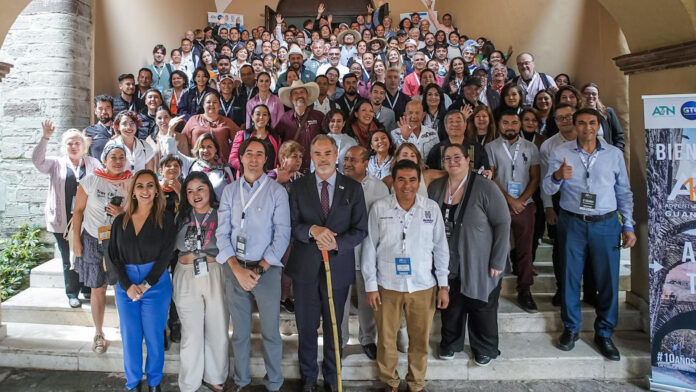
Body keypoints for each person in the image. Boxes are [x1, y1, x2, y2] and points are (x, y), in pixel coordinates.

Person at [542, 108, 636, 361]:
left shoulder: (614, 155)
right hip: (572, 222)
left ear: (599, 126)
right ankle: (571, 328)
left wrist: (628, 225)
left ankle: (604, 332)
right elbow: (547, 187)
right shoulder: (561, 152)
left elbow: (624, 192)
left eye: (592, 123)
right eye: (582, 123)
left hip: (605, 224)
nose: (587, 128)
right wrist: (558, 176)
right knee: (570, 277)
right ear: (575, 126)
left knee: (607, 280)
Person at [286, 135, 368, 392]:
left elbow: (360, 229)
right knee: (306, 326)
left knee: (334, 326)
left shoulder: (352, 188)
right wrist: (311, 229)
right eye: (318, 154)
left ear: (336, 156)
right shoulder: (298, 188)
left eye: (328, 153)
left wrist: (337, 244)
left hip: (338, 268)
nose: (323, 158)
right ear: (312, 157)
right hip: (306, 269)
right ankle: (309, 377)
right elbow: (291, 225)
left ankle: (333, 376)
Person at [362, 159, 449, 392]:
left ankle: (416, 382)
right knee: (386, 339)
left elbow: (441, 248)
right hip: (387, 285)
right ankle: (390, 381)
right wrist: (370, 285)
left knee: (419, 340)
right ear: (393, 181)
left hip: (422, 286)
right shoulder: (380, 208)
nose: (406, 185)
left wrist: (443, 285)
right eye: (401, 179)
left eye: (412, 180)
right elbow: (369, 246)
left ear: (419, 181)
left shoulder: (431, 209)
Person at [216, 137, 291, 392]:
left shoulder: (276, 191)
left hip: (266, 272)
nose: (254, 159)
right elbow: (221, 234)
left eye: (260, 154)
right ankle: (241, 381)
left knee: (271, 332)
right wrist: (237, 269)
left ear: (265, 160)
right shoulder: (229, 191)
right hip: (235, 268)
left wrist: (258, 269)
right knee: (239, 333)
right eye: (249, 153)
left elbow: (282, 235)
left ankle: (274, 383)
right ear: (242, 157)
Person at [429, 144, 510, 365]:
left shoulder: (486, 187)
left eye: (457, 157)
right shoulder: (436, 187)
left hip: (480, 259)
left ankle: (484, 347)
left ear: (467, 160)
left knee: (481, 304)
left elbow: (503, 223)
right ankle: (451, 342)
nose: (452, 161)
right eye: (447, 158)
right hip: (448, 259)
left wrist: (498, 259)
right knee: (451, 304)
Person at [109, 169, 175, 392]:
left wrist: (146, 284)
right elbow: (114, 256)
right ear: (133, 191)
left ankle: (154, 382)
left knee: (154, 336)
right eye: (140, 186)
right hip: (126, 285)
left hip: (155, 284)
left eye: (150, 185)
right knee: (131, 336)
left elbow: (166, 256)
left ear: (157, 190)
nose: (145, 190)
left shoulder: (166, 219)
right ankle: (133, 382)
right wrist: (127, 286)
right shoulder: (120, 221)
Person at [33, 120, 100, 308]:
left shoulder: (93, 163)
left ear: (83, 145)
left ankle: (87, 287)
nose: (73, 146)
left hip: (87, 218)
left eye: (77, 142)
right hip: (63, 219)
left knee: (87, 253)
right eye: (69, 143)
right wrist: (45, 137)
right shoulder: (56, 163)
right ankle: (72, 292)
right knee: (68, 256)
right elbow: (37, 162)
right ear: (64, 146)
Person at [72, 144, 132, 354]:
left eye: (122, 157)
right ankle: (98, 332)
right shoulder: (90, 180)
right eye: (113, 157)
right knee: (97, 287)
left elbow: (138, 212)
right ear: (104, 159)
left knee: (120, 286)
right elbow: (78, 211)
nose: (118, 161)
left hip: (118, 241)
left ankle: (126, 330)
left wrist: (122, 213)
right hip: (92, 238)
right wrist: (75, 241)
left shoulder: (131, 181)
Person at [485, 110, 541, 313]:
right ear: (499, 125)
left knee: (525, 250)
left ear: (520, 125)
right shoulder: (490, 147)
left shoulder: (531, 147)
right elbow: (490, 176)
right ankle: (491, 288)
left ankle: (524, 290)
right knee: (495, 247)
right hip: (499, 204)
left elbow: (535, 178)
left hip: (525, 205)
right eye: (506, 122)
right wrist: (510, 200)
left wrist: (521, 201)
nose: (510, 126)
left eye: (514, 123)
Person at [340, 145, 390, 358]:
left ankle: (368, 339)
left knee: (366, 299)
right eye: (346, 159)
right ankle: (339, 341)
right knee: (340, 300)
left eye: (353, 160)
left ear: (365, 163)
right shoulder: (336, 184)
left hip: (367, 253)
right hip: (340, 252)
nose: (348, 164)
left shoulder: (379, 188)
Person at [275, 80, 325, 173]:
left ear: (307, 95)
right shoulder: (284, 118)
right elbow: (278, 143)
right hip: (292, 170)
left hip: (315, 169)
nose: (299, 95)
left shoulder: (319, 116)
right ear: (291, 98)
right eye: (295, 93)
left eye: (302, 92)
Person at [181, 91, 240, 163]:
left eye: (215, 102)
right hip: (197, 164)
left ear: (219, 105)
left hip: (221, 164)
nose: (211, 104)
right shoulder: (194, 119)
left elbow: (240, 138)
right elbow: (183, 140)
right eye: (208, 102)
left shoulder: (227, 121)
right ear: (203, 104)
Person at [426, 110, 490, 175]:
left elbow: (486, 172)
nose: (455, 124)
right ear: (445, 126)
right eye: (451, 121)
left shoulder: (478, 148)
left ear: (465, 124)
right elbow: (430, 174)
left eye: (458, 121)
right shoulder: (436, 149)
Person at [230, 104, 281, 175]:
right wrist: (246, 168)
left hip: (269, 179)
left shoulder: (275, 138)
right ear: (252, 117)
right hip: (247, 178)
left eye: (264, 114)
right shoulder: (242, 135)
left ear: (268, 117)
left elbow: (279, 161)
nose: (261, 117)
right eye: (258, 114)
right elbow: (232, 159)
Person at [581, 82, 625, 151]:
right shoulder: (578, 115)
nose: (590, 96)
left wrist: (617, 152)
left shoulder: (607, 112)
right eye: (587, 94)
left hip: (606, 154)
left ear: (598, 96)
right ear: (582, 96)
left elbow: (619, 135)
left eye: (594, 94)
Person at [84, 95, 115, 160]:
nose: (104, 111)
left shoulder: (120, 130)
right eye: (100, 108)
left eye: (107, 108)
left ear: (113, 109)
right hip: (97, 169)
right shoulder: (88, 131)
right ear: (95, 110)